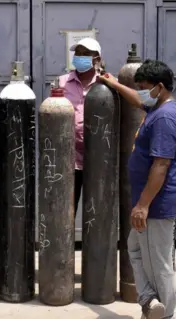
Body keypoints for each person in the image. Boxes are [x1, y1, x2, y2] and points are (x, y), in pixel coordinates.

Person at [99, 59, 176, 319]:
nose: (141, 91)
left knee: (158, 264)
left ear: (159, 87)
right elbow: (138, 100)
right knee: (135, 249)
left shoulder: (166, 119)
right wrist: (112, 83)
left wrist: (143, 205)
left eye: (145, 87)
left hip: (157, 203)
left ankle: (165, 314)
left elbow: (161, 165)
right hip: (152, 199)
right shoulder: (160, 105)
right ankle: (150, 302)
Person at [59, 37, 102, 212]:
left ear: (97, 59)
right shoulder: (62, 82)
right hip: (69, 160)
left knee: (96, 212)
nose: (80, 57)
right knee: (66, 210)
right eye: (78, 53)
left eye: (86, 54)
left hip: (98, 160)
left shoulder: (105, 83)